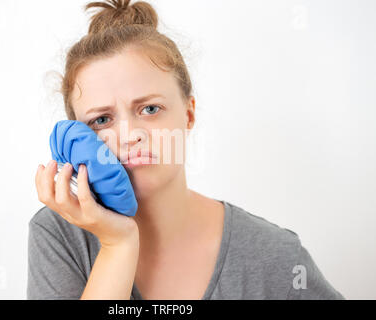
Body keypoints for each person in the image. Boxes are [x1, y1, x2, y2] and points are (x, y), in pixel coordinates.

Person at [29, 0, 345, 300]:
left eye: (150, 109)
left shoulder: (274, 254)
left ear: (189, 113)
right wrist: (117, 244)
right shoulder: (59, 236)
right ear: (77, 138)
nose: (130, 135)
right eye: (101, 119)